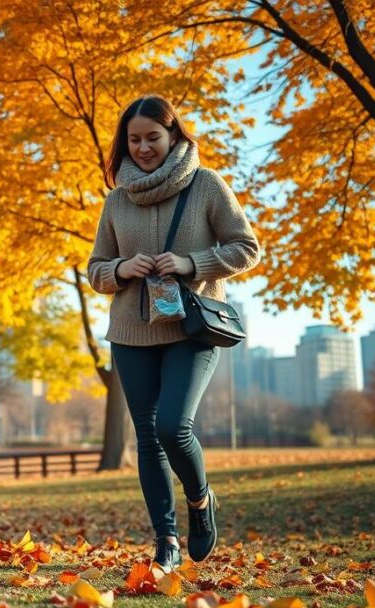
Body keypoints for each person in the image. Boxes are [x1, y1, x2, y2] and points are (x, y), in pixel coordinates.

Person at [87, 95, 260, 572]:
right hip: (130, 332)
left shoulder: (206, 185)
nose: (143, 147)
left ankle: (201, 501)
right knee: (147, 438)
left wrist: (192, 263)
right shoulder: (116, 199)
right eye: (134, 140)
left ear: (174, 136)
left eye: (152, 138)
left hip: (193, 328)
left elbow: (247, 247)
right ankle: (166, 541)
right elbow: (95, 269)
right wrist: (121, 268)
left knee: (172, 427)